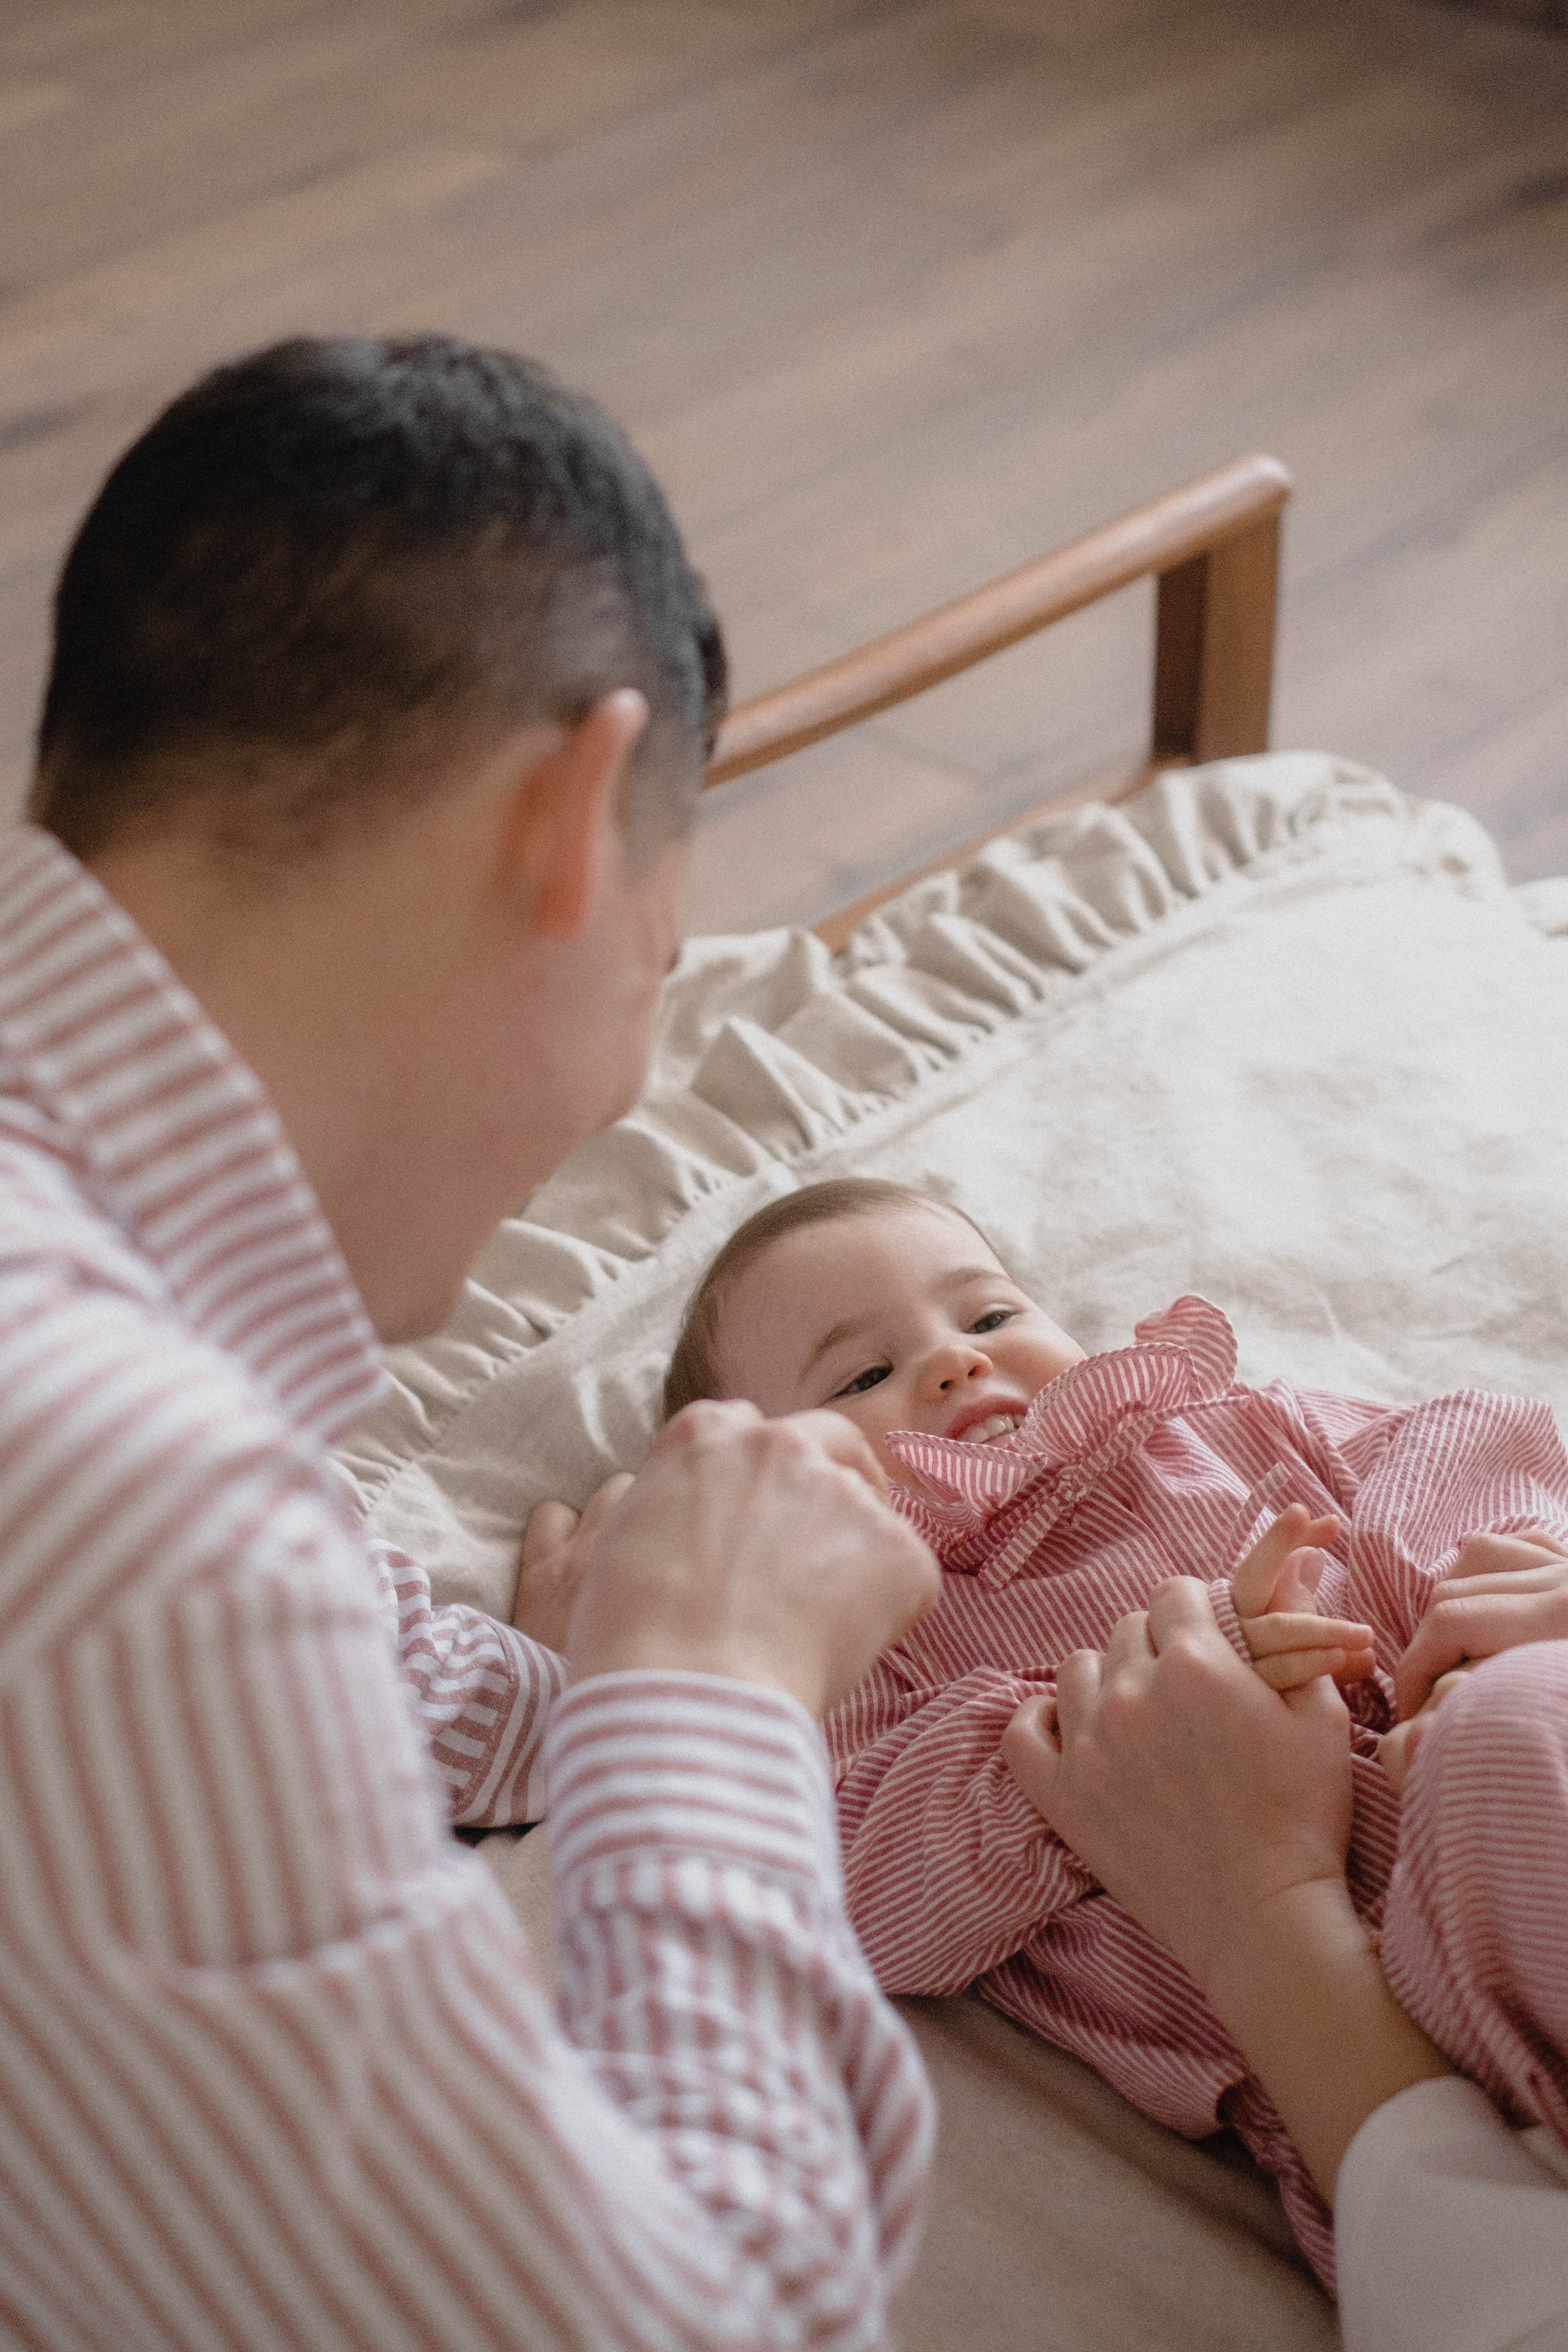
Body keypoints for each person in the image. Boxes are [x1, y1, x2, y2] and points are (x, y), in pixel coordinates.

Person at [0, 334, 941, 2350]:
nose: (631, 1065)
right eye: (661, 972)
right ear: (574, 817)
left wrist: (578, 1683)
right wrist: (714, 1682)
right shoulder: (124, 1504)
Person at [649, 1174, 1568, 2286]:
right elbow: (866, 1874)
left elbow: (1459, 1467)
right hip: (1361, 2055)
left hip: (1493, 1794)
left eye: (988, 1316)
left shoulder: (1233, 1428)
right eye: (864, 1375)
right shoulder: (863, 1622)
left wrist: (1467, 1631)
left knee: (1515, 1730)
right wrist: (1088, 1731)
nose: (953, 1361)